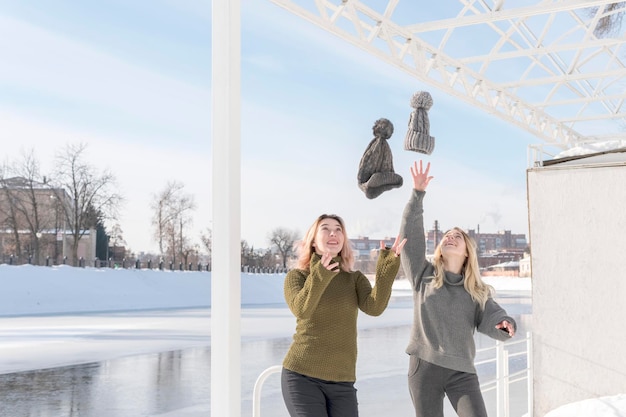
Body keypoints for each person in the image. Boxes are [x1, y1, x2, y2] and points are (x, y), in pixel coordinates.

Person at [399, 160, 517, 417]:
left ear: (467, 253)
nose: (450, 237)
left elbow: (493, 315)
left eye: (458, 236)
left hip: (461, 371)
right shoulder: (423, 275)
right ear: (441, 248)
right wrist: (417, 195)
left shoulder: (476, 290)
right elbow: (410, 240)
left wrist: (504, 323)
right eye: (447, 236)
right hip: (424, 367)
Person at [281, 213, 407, 417]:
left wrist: (387, 267)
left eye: (338, 229)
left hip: (343, 382)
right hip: (302, 376)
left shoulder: (353, 279)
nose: (333, 232)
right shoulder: (297, 277)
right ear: (313, 241)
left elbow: (374, 307)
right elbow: (302, 309)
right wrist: (321, 274)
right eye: (326, 228)